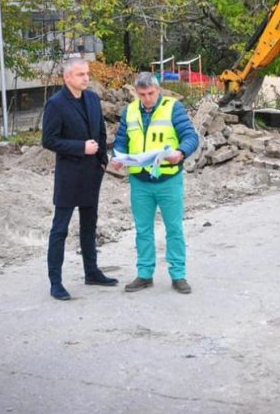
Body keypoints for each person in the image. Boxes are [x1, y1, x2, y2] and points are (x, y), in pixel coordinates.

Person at [112, 72, 199, 294]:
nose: (147, 98)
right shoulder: (130, 111)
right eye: (142, 94)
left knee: (174, 228)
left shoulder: (173, 108)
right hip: (140, 180)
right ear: (136, 93)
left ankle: (178, 275)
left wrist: (180, 152)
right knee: (143, 230)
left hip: (168, 179)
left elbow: (190, 136)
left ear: (158, 90)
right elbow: (122, 139)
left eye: (151, 93)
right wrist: (118, 156)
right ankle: (144, 274)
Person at [42, 57, 117, 300]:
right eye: (80, 74)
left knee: (89, 225)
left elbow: (101, 131)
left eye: (87, 73)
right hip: (69, 174)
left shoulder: (93, 98)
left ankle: (92, 271)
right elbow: (49, 140)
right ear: (67, 78)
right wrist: (79, 147)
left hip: (92, 173)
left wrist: (103, 159)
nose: (86, 78)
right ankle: (56, 282)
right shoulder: (56, 104)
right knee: (60, 229)